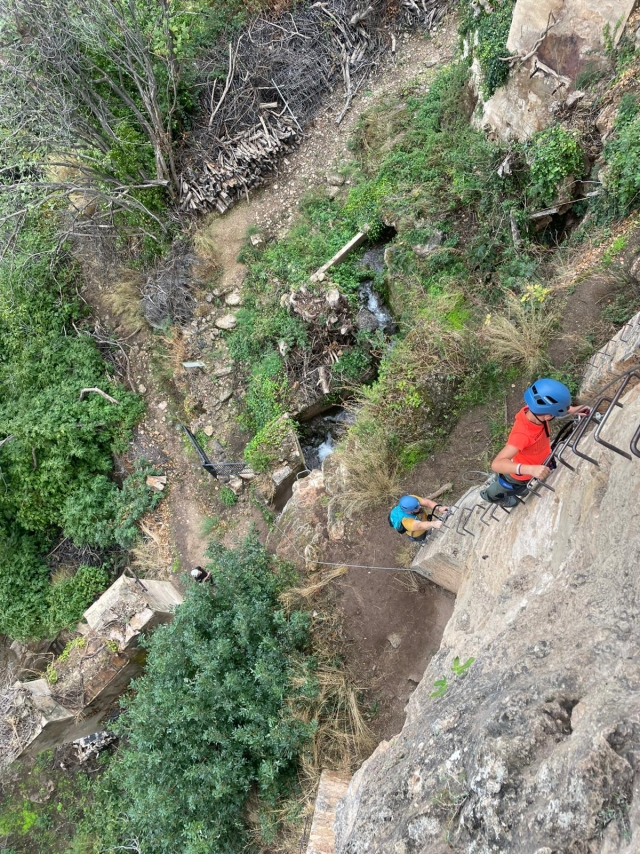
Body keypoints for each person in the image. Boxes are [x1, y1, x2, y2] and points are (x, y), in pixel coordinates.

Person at [481, 378, 589, 507]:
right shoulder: (522, 434)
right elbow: (496, 464)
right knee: (513, 489)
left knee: (523, 489)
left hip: (539, 461)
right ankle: (488, 496)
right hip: (518, 476)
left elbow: (548, 406)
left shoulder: (534, 410)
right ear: (548, 416)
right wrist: (530, 469)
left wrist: (571, 410)